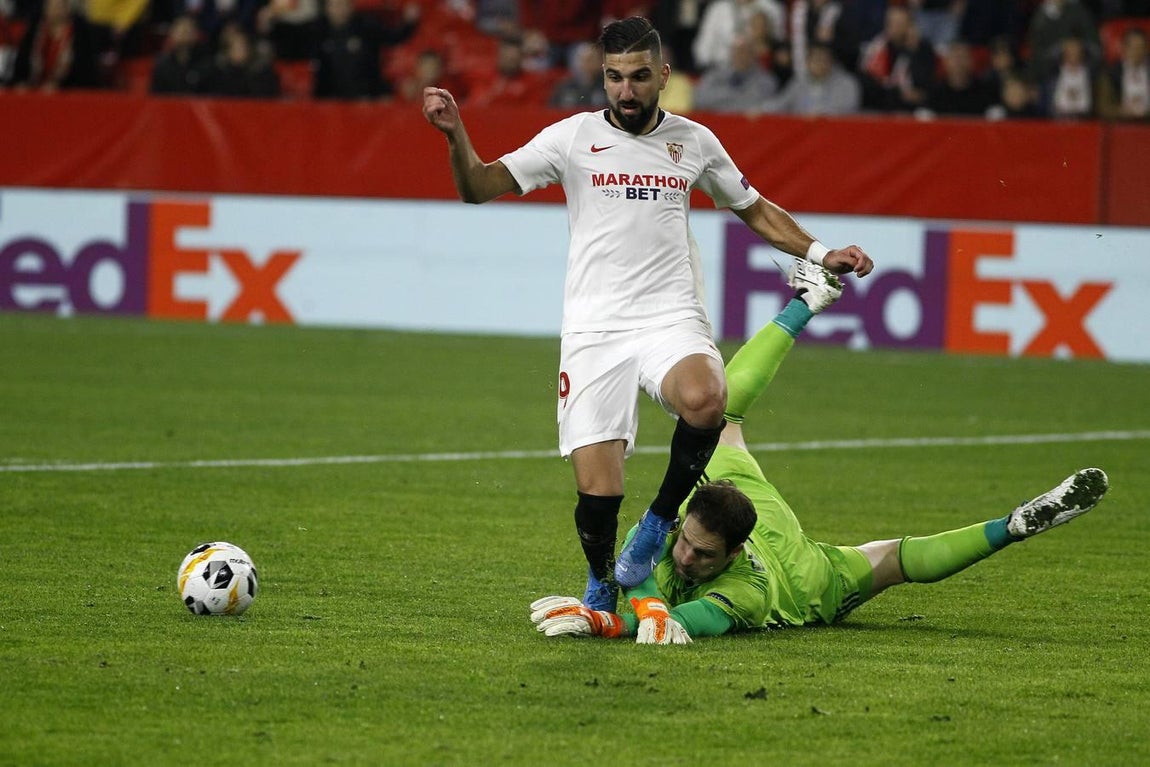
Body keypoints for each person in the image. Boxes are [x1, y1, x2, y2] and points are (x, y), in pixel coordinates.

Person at [422, 16, 873, 615]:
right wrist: (456, 135)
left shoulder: (694, 141)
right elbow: (477, 187)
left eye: (637, 77)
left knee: (707, 399)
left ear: (662, 74)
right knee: (597, 490)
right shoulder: (571, 138)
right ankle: (601, 579)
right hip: (593, 328)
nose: (625, 91)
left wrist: (821, 253)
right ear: (602, 77)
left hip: (668, 315)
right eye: (613, 78)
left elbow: (755, 209)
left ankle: (660, 521)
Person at [530, 262, 1110, 644]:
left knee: (897, 562)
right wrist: (604, 615)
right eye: (684, 542)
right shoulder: (704, 512)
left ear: (732, 556)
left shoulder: (748, 591)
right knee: (720, 418)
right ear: (684, 519)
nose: (684, 560)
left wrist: (621, 620)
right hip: (754, 505)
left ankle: (1012, 527)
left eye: (703, 558)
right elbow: (643, 581)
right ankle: (807, 299)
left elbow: (687, 618)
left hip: (808, 578)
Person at [761, 40, 861, 116]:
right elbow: (781, 103)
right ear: (807, 62)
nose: (820, 64)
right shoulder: (799, 82)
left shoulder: (846, 83)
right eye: (816, 59)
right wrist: (761, 110)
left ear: (831, 62)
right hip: (805, 137)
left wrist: (821, 114)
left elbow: (846, 109)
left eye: (824, 59)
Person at [691, 32, 778, 114]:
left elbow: (758, 105)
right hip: (716, 124)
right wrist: (737, 94)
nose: (739, 55)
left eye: (743, 51)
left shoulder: (766, 81)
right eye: (735, 51)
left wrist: (719, 103)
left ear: (753, 55)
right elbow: (700, 99)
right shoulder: (714, 76)